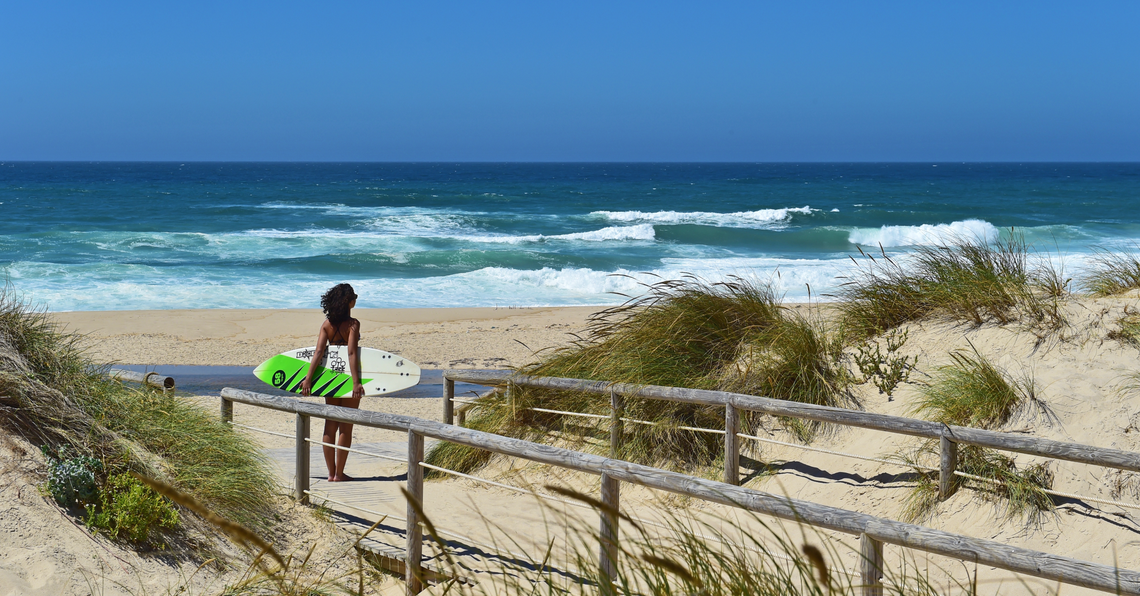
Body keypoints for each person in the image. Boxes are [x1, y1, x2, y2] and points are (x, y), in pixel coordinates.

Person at [301, 283, 364, 482]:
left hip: (331, 378)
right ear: (349, 302)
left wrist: (308, 378)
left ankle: (330, 473)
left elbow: (319, 352)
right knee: (346, 426)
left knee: (330, 425)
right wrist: (356, 383)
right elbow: (352, 352)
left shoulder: (327, 325)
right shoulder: (353, 324)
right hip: (348, 378)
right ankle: (339, 474)